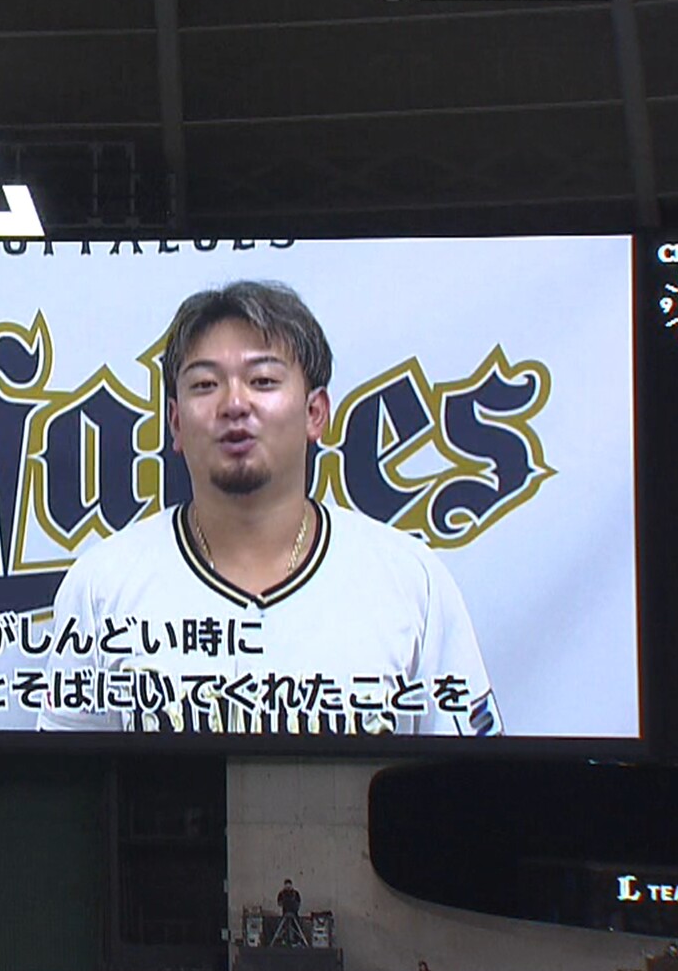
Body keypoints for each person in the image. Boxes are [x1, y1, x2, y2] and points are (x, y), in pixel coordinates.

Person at [37, 280, 500, 735]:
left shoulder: (410, 582)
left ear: (315, 413)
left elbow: (466, 772)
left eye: (263, 381)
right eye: (205, 384)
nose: (234, 404)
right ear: (176, 423)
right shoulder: (103, 586)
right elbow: (69, 776)